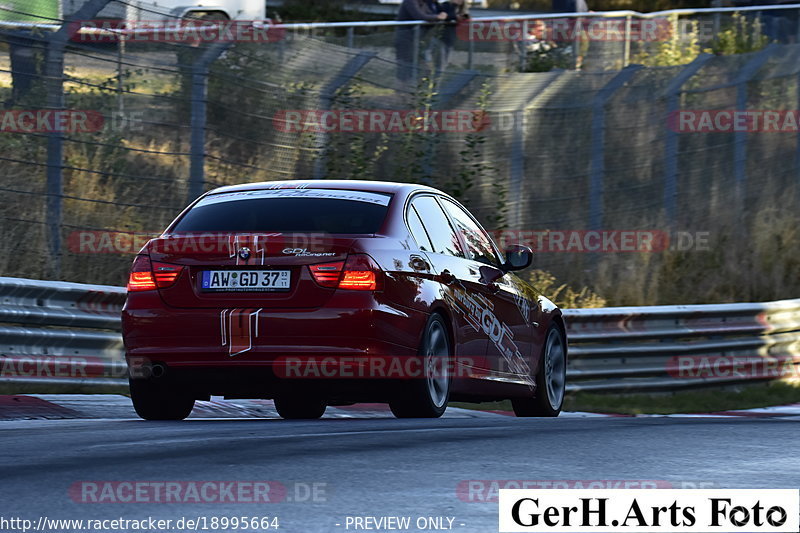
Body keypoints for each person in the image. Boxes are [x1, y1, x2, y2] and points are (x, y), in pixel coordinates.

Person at [395, 0, 448, 85]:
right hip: (406, 39)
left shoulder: (427, 3)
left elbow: (438, 12)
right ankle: (402, 91)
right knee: (405, 66)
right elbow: (419, 16)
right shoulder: (410, 1)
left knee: (424, 67)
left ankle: (417, 89)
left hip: (420, 39)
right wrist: (437, 17)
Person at [551, 0, 590, 70]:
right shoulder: (576, 1)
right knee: (578, 48)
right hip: (574, 29)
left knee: (579, 47)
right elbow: (576, 15)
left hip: (573, 28)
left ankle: (574, 66)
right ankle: (573, 67)